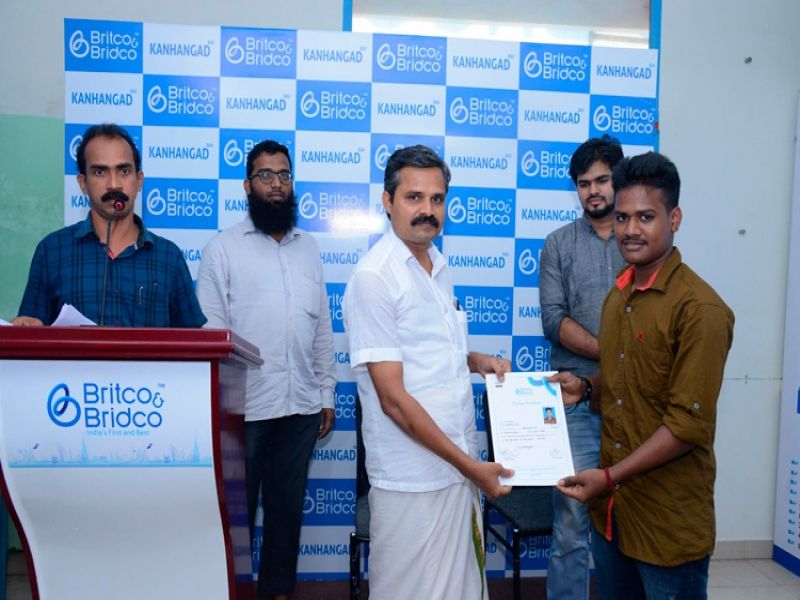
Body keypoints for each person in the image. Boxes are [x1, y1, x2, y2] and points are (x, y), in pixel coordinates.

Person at [553, 152, 734, 599]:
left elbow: (687, 426)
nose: (631, 229)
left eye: (646, 217)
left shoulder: (701, 310)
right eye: (622, 218)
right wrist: (587, 387)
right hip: (615, 517)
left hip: (666, 523)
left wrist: (609, 477)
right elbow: (625, 383)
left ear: (674, 219)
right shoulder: (620, 295)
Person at [342, 144, 513, 600]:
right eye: (414, 197)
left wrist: (475, 361)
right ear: (387, 201)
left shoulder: (437, 265)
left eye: (437, 199)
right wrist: (472, 468)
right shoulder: (374, 278)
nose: (428, 210)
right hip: (412, 481)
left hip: (456, 468)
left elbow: (427, 352)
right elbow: (393, 400)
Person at [195, 140, 335, 600]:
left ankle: (277, 592)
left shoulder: (308, 248)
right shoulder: (222, 249)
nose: (277, 184)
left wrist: (326, 392)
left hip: (301, 407)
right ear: (247, 185)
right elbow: (213, 336)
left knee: (286, 513)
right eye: (266, 175)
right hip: (244, 411)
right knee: (235, 517)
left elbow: (321, 328)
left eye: (284, 175)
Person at [538, 135, 625, 599]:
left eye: (602, 180)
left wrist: (626, 364)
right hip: (574, 402)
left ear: (618, 180)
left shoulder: (640, 241)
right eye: (584, 183)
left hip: (634, 401)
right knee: (571, 524)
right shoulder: (558, 244)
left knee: (630, 518)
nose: (593, 191)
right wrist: (615, 354)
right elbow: (554, 320)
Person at [13, 123, 205, 328]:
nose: (114, 184)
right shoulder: (52, 251)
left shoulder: (169, 257)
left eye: (124, 171)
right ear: (83, 183)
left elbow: (194, 340)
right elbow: (30, 329)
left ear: (139, 180)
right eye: (99, 172)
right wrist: (26, 327)